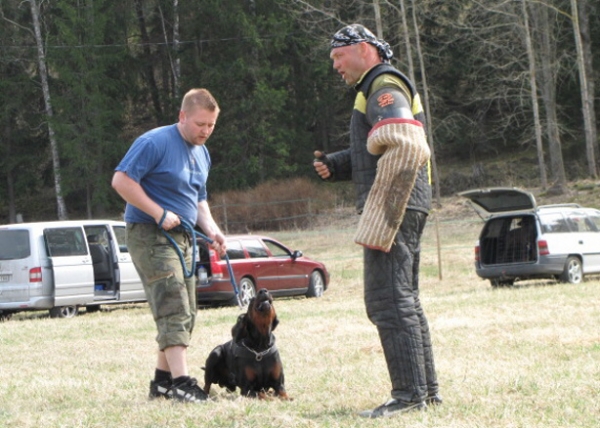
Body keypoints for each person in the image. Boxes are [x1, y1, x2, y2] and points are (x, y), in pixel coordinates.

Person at [313, 24, 440, 418]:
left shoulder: (383, 85)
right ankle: (425, 393)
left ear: (364, 49)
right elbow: (381, 145)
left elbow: (404, 143)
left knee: (387, 302)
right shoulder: (377, 87)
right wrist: (338, 164)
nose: (334, 65)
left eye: (338, 56)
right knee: (404, 300)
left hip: (396, 205)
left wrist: (383, 211)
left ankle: (408, 396)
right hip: (410, 201)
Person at [112, 88, 226, 403]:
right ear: (182, 116)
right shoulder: (154, 143)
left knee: (187, 310)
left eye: (211, 126)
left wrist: (214, 232)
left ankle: (162, 383)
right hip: (149, 234)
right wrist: (158, 213)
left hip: (184, 236)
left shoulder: (202, 153)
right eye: (200, 124)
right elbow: (121, 181)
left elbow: (198, 199)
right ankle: (182, 384)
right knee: (173, 303)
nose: (205, 131)